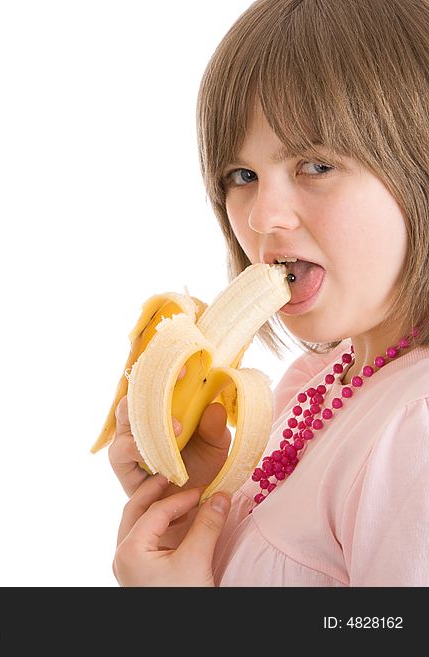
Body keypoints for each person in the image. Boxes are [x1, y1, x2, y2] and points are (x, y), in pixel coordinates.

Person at [109, 0, 429, 586]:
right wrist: (205, 501)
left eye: (316, 165)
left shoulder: (418, 423)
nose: (262, 218)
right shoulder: (314, 377)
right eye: (242, 176)